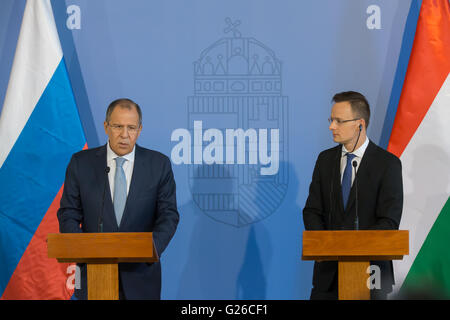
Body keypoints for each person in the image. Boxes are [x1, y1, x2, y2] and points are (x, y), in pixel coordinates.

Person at [57, 98, 179, 300]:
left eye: (131, 127)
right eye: (117, 126)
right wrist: (80, 248)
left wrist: (151, 247)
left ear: (139, 130)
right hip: (93, 276)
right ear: (106, 127)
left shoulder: (158, 165)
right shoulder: (81, 163)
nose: (124, 134)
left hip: (141, 276)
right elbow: (68, 212)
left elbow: (169, 215)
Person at [303, 91, 403, 300]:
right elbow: (312, 210)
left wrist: (352, 245)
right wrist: (325, 244)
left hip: (370, 275)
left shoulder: (387, 164)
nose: (332, 126)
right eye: (331, 120)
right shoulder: (325, 160)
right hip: (327, 278)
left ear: (360, 124)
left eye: (339, 121)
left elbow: (389, 221)